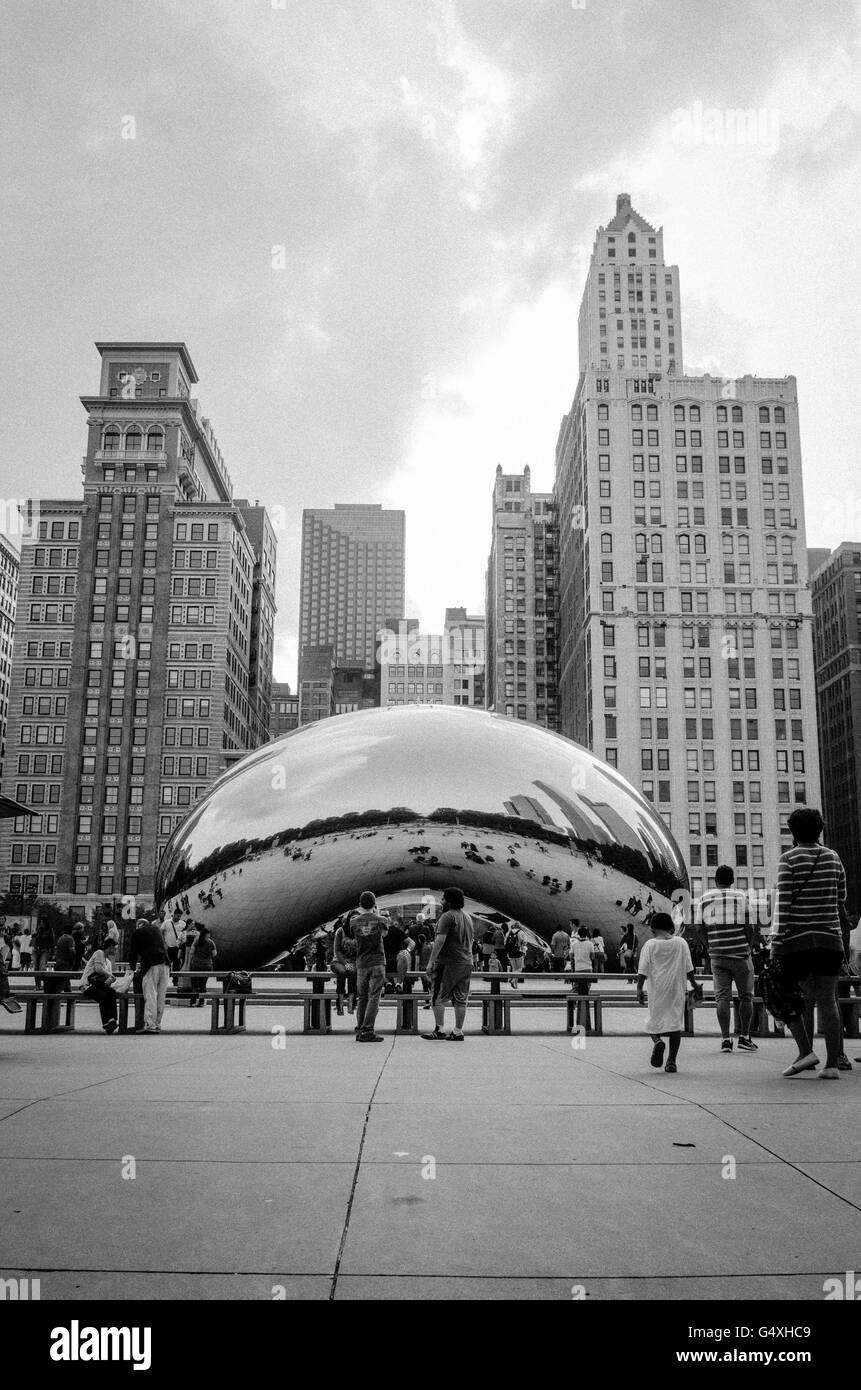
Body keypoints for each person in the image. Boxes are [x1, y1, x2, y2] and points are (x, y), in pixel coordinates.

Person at [771, 807, 846, 1080]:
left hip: (798, 941)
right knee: (828, 1000)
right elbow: (841, 900)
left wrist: (777, 941)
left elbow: (785, 903)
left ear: (792, 832)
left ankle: (805, 1052)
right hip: (830, 939)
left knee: (792, 998)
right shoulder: (833, 858)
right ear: (820, 829)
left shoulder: (788, 859)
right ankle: (833, 1064)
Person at [700, 864, 757, 1054]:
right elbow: (751, 926)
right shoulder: (740, 897)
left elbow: (698, 928)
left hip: (717, 956)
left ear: (715, 881)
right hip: (741, 954)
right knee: (746, 997)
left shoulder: (705, 898)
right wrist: (748, 946)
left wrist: (709, 946)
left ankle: (725, 1039)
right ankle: (744, 1036)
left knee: (722, 998)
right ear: (732, 881)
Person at [636, 913, 700, 1073]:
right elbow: (689, 968)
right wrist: (693, 984)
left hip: (657, 990)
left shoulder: (650, 945)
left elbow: (642, 970)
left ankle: (657, 1041)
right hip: (676, 990)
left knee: (653, 1022)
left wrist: (639, 989)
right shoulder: (681, 943)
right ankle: (671, 1062)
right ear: (670, 927)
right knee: (675, 1025)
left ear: (653, 929)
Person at [422, 886, 474, 1042]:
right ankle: (458, 1032)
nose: (441, 901)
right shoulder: (467, 917)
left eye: (443, 899)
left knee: (436, 996)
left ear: (449, 902)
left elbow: (440, 941)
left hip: (448, 963)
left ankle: (439, 1029)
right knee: (460, 999)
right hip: (466, 962)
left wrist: (431, 962)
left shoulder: (447, 916)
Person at [352, 891, 388, 1042]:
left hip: (361, 962)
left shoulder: (353, 921)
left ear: (360, 904)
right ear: (374, 904)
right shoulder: (381, 919)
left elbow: (355, 937)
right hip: (377, 961)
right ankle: (368, 1030)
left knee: (362, 997)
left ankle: (360, 1028)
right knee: (374, 996)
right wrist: (377, 913)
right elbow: (385, 934)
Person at [128, 916, 170, 1034]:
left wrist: (132, 969)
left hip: (151, 964)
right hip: (165, 963)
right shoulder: (156, 929)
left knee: (150, 994)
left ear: (138, 925)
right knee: (161, 995)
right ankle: (157, 1023)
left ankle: (150, 1025)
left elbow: (133, 953)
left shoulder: (138, 933)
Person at [79, 937, 120, 1033]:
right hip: (87, 985)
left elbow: (104, 979)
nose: (116, 950)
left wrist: (109, 981)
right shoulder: (99, 953)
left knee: (111, 992)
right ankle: (106, 1022)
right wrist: (111, 976)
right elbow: (98, 969)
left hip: (97, 985)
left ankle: (112, 1020)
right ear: (110, 947)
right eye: (115, 948)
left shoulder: (107, 961)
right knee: (103, 996)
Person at [44, 925, 77, 1031]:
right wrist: (74, 960)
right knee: (63, 980)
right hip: (65, 962)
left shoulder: (61, 938)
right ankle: (65, 996)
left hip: (58, 962)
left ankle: (69, 994)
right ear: (71, 931)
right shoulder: (70, 939)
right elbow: (71, 950)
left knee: (64, 980)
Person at [331, 913, 358, 1016]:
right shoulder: (340, 931)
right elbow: (337, 951)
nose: (355, 920)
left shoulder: (359, 933)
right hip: (338, 961)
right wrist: (345, 963)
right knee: (342, 972)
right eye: (353, 918)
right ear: (349, 920)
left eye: (357, 919)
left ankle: (351, 1004)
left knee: (352, 972)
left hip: (353, 962)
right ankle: (340, 1004)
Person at [189, 924, 217, 1006]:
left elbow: (191, 952)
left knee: (194, 985)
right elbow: (214, 954)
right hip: (207, 966)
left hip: (196, 965)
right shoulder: (211, 942)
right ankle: (201, 1002)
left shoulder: (196, 941)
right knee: (203, 984)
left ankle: (193, 1002)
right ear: (207, 934)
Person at [568, 925, 596, 996]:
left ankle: (575, 1004)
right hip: (588, 968)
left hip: (578, 968)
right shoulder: (590, 944)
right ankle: (585, 1004)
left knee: (576, 987)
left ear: (578, 934)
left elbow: (571, 956)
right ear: (586, 934)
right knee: (587, 988)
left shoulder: (574, 944)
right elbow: (593, 957)